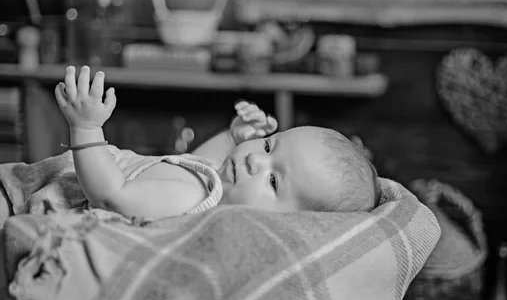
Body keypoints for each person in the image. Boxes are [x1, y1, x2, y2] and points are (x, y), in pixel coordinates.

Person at [51, 65, 380, 220]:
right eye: (269, 146)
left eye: (273, 179)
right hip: (60, 180)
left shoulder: (188, 199)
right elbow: (198, 162)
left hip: (51, 200)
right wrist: (233, 136)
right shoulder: (212, 185)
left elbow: (110, 197)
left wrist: (86, 128)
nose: (255, 160)